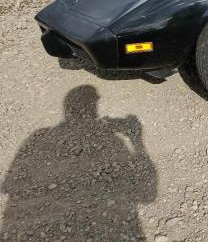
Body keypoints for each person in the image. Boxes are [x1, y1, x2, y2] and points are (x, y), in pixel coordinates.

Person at [1, 85, 157, 241]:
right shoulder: (113, 140)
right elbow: (147, 196)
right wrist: (137, 140)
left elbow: (11, 186)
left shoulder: (39, 136)